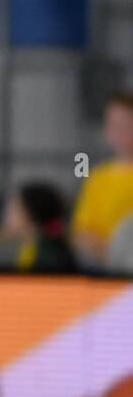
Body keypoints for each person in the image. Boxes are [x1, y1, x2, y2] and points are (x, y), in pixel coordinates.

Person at [72, 93, 133, 270]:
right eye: (113, 124)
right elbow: (83, 230)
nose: (118, 131)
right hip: (107, 270)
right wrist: (111, 256)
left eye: (126, 124)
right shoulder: (99, 177)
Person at [0, 182, 77, 274]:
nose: (5, 216)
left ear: (28, 215)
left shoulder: (49, 256)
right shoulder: (31, 248)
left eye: (13, 210)